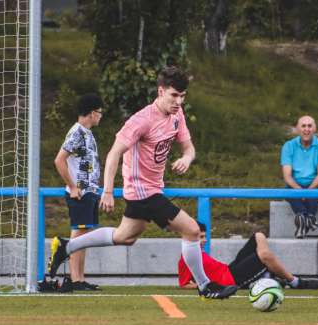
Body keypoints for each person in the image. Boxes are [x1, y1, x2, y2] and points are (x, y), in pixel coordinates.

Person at [49, 66, 238, 299]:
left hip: (152, 188)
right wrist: (108, 191)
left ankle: (65, 246)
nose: (178, 101)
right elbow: (114, 154)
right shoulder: (141, 120)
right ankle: (205, 286)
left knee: (125, 237)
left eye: (182, 96)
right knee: (191, 230)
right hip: (142, 191)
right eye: (174, 95)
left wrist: (186, 158)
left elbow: (188, 147)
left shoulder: (177, 115)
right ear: (161, 91)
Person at [53, 94, 103, 292]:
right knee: (78, 234)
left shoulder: (87, 133)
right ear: (92, 113)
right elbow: (59, 160)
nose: (100, 117)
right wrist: (73, 187)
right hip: (80, 193)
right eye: (99, 113)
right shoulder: (77, 132)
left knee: (85, 236)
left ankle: (80, 278)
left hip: (89, 192)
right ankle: (75, 279)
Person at [178, 224, 318, 290]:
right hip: (232, 280)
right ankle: (295, 282)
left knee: (258, 235)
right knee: (265, 256)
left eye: (204, 236)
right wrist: (212, 286)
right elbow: (184, 285)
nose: (205, 240)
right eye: (200, 237)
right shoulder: (186, 257)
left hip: (230, 269)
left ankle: (268, 274)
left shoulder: (199, 252)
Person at [281, 115, 318, 238]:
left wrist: (307, 192)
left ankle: (303, 218)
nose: (307, 129)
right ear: (297, 129)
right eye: (303, 126)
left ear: (315, 128)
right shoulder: (288, 146)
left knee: (316, 192)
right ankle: (308, 218)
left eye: (310, 126)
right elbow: (287, 176)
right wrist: (300, 192)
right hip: (295, 184)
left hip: (316, 184)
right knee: (288, 192)